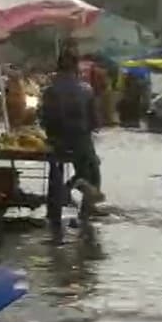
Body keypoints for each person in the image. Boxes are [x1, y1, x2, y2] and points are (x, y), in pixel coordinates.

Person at [40, 50, 105, 225]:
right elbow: (94, 122)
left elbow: (43, 119)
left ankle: (58, 203)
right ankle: (83, 206)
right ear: (76, 67)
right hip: (80, 141)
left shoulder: (49, 91)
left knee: (57, 169)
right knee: (93, 169)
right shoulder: (85, 89)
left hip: (56, 141)